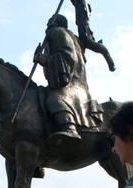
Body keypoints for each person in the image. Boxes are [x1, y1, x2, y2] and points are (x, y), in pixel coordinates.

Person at [33, 14, 100, 147]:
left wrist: (46, 60)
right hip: (72, 82)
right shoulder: (60, 35)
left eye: (49, 23)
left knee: (55, 99)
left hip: (72, 83)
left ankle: (69, 127)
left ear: (55, 23)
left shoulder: (58, 33)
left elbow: (67, 56)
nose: (47, 26)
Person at [71, 0, 116, 71]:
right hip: (83, 32)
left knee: (101, 49)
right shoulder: (79, 6)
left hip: (85, 34)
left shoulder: (82, 7)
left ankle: (111, 63)